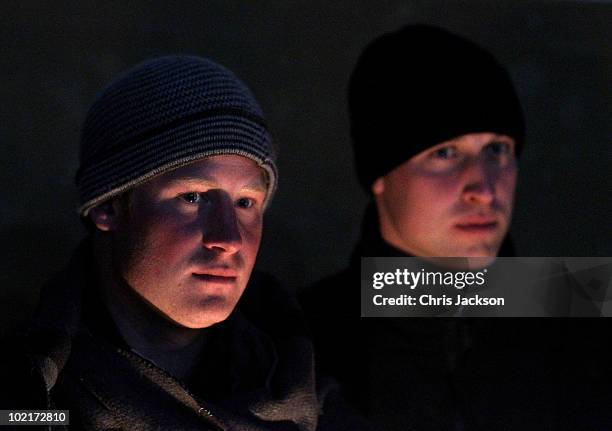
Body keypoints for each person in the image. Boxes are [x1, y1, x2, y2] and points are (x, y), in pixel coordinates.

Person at [1, 56, 369, 430]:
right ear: (109, 207)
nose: (228, 239)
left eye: (245, 203)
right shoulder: (24, 399)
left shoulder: (313, 395)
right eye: (192, 197)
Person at [300, 25, 612, 430]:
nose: (482, 188)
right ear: (379, 174)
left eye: (496, 149)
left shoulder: (583, 312)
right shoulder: (297, 345)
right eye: (444, 153)